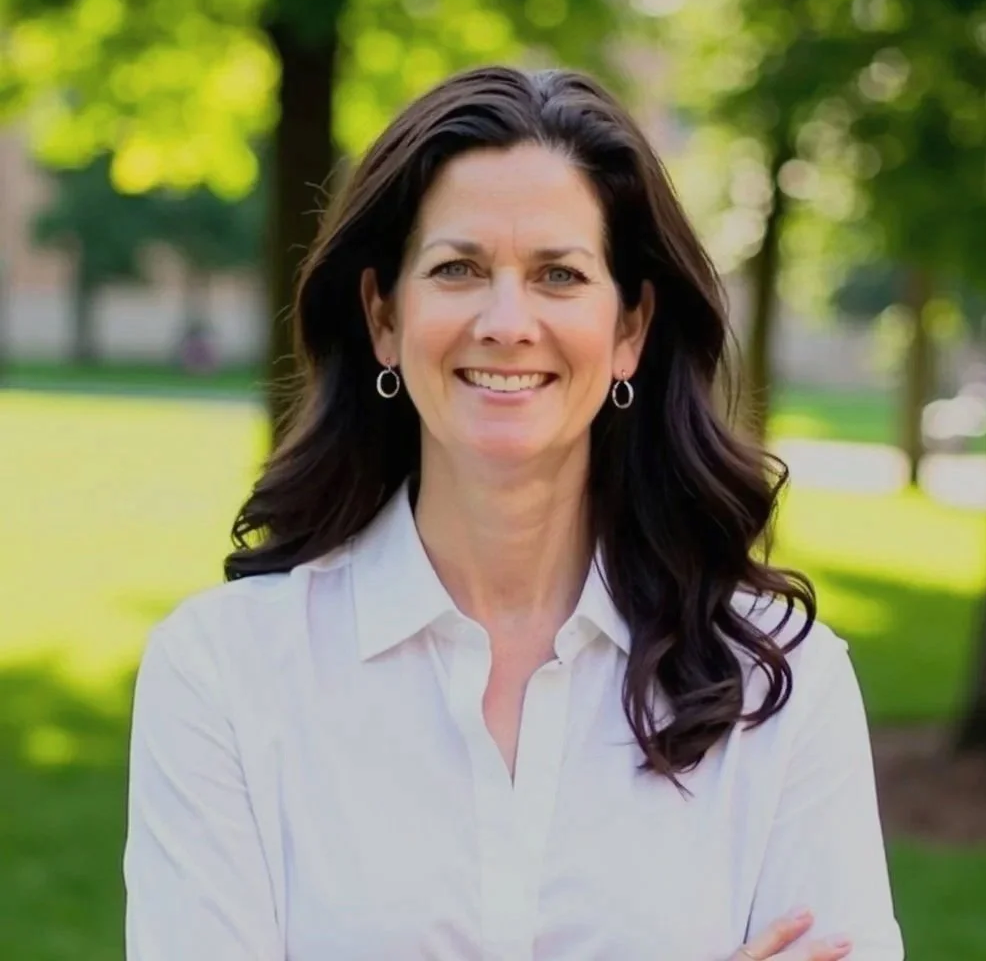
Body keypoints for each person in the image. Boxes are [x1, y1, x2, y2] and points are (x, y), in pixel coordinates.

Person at [123, 65, 904, 960]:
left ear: (630, 331)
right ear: (384, 316)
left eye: (558, 276)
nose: (506, 320)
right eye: (458, 269)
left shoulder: (780, 683)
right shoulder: (224, 675)